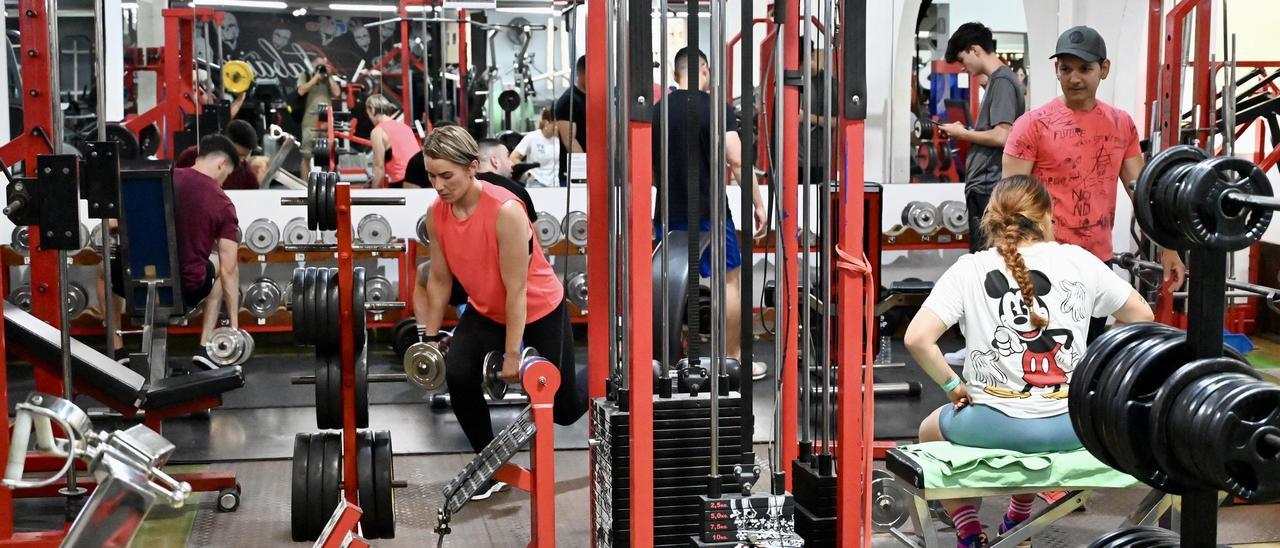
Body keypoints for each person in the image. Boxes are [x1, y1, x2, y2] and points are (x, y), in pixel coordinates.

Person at [904, 175, 1153, 548]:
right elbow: (1142, 315)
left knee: (928, 432)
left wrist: (954, 387)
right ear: (1047, 217)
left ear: (991, 218)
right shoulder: (1079, 260)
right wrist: (1094, 366)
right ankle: (1016, 521)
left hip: (992, 426)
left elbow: (917, 339)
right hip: (1074, 427)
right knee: (1032, 451)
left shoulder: (969, 269)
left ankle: (970, 531)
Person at [416, 126, 585, 500]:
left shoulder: (505, 210)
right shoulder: (436, 212)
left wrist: (512, 354)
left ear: (472, 167)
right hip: (485, 309)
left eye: (447, 175)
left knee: (563, 408)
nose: (439, 185)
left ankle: (609, 372)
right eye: (432, 176)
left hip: (538, 306)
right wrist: (428, 339)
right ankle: (488, 469)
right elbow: (440, 280)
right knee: (458, 374)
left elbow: (517, 288)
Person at [1002, 25, 1185, 342]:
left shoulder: (1121, 123)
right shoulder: (1031, 125)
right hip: (1044, 262)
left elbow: (1140, 192)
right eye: (1066, 68)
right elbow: (1008, 203)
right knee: (1048, 360)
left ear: (1104, 69)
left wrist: (1168, 246)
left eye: (1085, 69)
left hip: (1097, 261)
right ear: (1056, 70)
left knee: (1091, 353)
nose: (1074, 78)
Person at [653, 47, 768, 380]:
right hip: (710, 211)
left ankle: (670, 364)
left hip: (668, 214)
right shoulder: (717, 109)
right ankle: (732, 360)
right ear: (704, 69)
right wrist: (758, 204)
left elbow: (645, 168)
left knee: (670, 286)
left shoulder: (658, 111)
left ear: (676, 75)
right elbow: (736, 160)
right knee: (728, 280)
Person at [97, 135, 243, 366]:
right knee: (218, 266)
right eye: (226, 175)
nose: (223, 181)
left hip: (134, 283)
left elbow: (111, 224)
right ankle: (205, 349)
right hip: (186, 289)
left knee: (104, 268)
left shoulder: (154, 181)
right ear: (221, 164)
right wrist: (234, 328)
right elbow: (230, 268)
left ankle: (116, 349)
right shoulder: (222, 202)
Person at [941, 22, 1026, 251]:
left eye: (962, 59)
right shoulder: (997, 81)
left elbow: (1002, 136)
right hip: (985, 186)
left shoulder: (1002, 81)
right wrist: (968, 131)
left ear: (975, 50)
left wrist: (964, 134)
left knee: (986, 263)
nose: (962, 67)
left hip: (990, 187)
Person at [175, 120, 266, 190]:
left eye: (245, 156)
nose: (241, 161)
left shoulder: (247, 175)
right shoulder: (190, 156)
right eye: (239, 155)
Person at [297, 55, 342, 179]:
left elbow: (337, 93)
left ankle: (326, 184)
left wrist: (330, 76)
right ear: (312, 65)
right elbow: (301, 91)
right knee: (306, 155)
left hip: (326, 122)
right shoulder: (305, 75)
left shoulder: (328, 79)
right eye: (319, 65)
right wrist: (316, 78)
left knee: (326, 155)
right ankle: (304, 187)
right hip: (309, 122)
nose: (321, 68)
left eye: (323, 65)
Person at [365, 94, 419, 188]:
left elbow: (379, 168)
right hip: (420, 180)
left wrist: (372, 195)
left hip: (402, 183)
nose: (369, 118)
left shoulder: (378, 131)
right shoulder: (405, 127)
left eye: (368, 114)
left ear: (372, 110)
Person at [552, 55, 587, 184]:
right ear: (579, 73)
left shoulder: (592, 99)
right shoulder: (569, 100)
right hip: (576, 176)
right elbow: (569, 140)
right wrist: (585, 170)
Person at [509, 108, 561, 187]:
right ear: (547, 123)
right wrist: (527, 174)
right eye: (554, 125)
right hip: (537, 181)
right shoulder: (532, 137)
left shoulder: (558, 140)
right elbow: (513, 157)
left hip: (556, 183)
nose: (557, 128)